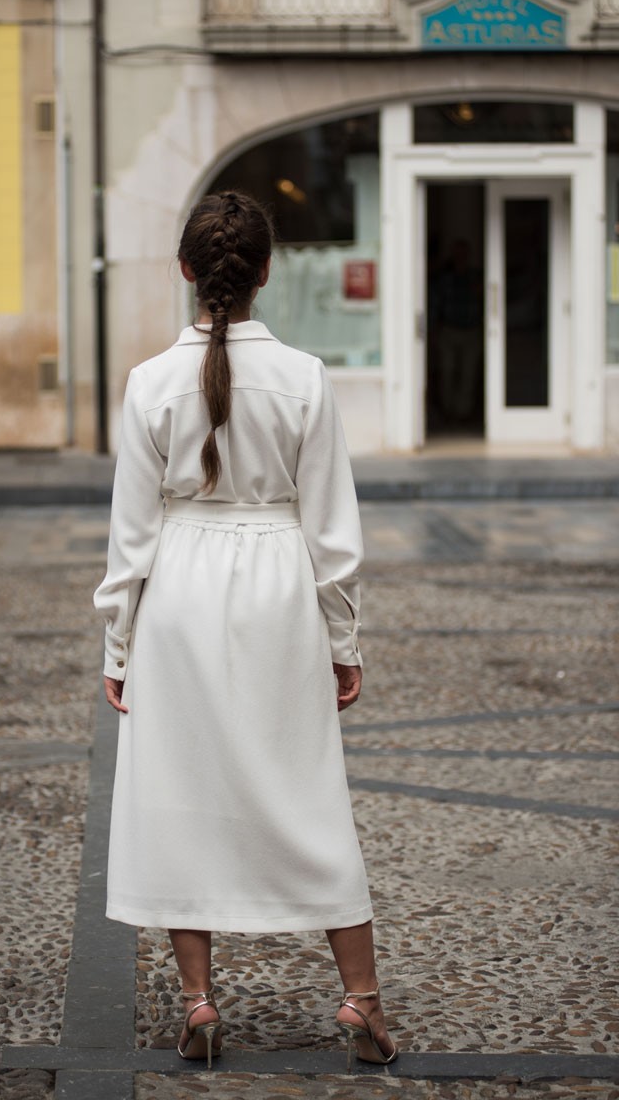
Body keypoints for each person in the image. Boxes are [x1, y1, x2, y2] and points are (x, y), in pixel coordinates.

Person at [94, 191, 397, 1072]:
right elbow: (333, 539)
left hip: (180, 595)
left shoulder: (148, 383)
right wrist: (343, 644)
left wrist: (120, 646)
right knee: (309, 792)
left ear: (186, 272)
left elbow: (130, 538)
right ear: (265, 274)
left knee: (183, 790)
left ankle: (199, 1003)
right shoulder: (305, 378)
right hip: (278, 588)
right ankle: (363, 1000)